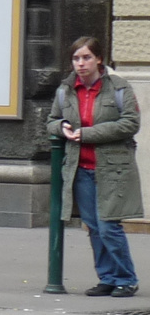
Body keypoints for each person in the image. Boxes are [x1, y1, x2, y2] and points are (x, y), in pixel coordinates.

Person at [47, 36, 141, 298]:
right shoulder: (66, 90)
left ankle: (126, 278)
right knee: (95, 228)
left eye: (86, 57)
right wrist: (62, 127)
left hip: (112, 168)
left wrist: (88, 133)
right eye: (76, 58)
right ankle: (108, 278)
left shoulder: (119, 87)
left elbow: (130, 124)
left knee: (109, 225)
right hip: (81, 169)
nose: (81, 63)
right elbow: (52, 121)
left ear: (99, 59)